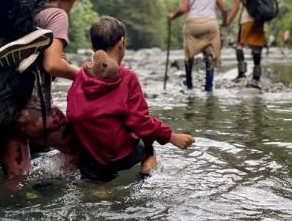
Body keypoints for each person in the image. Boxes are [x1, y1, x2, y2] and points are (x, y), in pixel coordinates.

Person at [67, 16, 196, 181]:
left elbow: (73, 111)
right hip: (121, 156)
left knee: (98, 185)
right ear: (122, 43)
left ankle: (101, 187)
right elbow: (140, 122)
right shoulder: (127, 77)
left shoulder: (81, 74)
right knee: (148, 142)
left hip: (90, 157)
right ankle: (147, 167)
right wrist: (172, 137)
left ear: (93, 48)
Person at [0, 0, 82, 177]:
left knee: (16, 180)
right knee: (80, 151)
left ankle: (18, 203)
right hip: (27, 110)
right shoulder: (56, 14)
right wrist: (86, 75)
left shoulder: (20, 11)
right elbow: (53, 65)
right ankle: (52, 194)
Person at [166, 0, 228, 91]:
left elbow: (183, 9)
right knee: (210, 52)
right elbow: (224, 9)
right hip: (210, 23)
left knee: (189, 54)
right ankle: (208, 87)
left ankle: (189, 84)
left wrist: (172, 16)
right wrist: (225, 22)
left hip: (192, 24)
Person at [225, 0, 269, 87]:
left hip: (247, 19)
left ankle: (242, 74)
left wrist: (228, 20)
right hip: (259, 19)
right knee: (256, 47)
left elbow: (236, 6)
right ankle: (256, 77)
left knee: (239, 44)